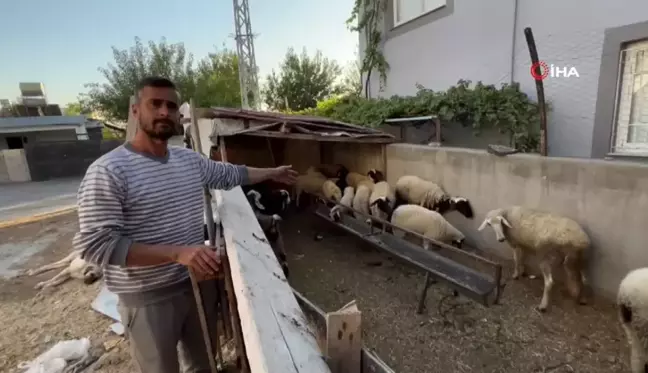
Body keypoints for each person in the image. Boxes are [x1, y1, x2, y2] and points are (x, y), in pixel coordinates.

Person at [73, 76, 298, 373]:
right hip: (148, 299)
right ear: (136, 110)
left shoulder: (187, 160)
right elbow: (95, 246)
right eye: (156, 104)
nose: (165, 112)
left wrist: (273, 172)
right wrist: (177, 254)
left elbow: (230, 174)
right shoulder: (109, 171)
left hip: (194, 286)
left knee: (203, 364)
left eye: (171, 106)